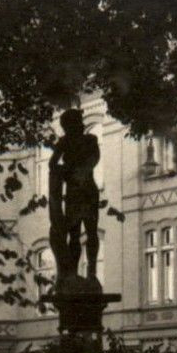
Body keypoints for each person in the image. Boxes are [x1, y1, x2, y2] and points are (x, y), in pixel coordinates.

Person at [47, 108, 101, 280]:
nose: (71, 129)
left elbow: (94, 159)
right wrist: (66, 170)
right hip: (74, 194)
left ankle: (92, 272)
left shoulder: (90, 140)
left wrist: (76, 171)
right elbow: (52, 163)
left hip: (87, 190)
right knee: (75, 234)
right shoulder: (64, 142)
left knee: (91, 231)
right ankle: (74, 272)